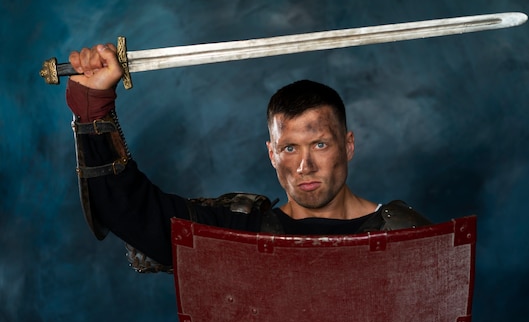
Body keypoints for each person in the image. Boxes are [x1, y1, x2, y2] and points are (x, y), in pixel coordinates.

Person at [66, 43, 430, 273]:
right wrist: (94, 108)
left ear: (348, 146)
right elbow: (131, 212)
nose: (305, 165)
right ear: (272, 154)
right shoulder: (238, 234)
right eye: (290, 148)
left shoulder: (402, 232)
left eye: (320, 144)